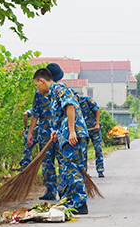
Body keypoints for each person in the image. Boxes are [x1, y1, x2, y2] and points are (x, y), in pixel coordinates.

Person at [32, 67, 89, 215]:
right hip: (64, 135)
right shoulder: (53, 95)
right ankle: (70, 200)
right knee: (66, 170)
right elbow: (61, 114)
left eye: (36, 85)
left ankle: (79, 203)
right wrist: (56, 132)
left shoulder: (59, 88)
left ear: (42, 81)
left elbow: (70, 106)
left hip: (73, 134)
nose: (37, 89)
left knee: (73, 168)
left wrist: (71, 131)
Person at [26, 62, 64, 201]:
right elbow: (35, 113)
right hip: (49, 132)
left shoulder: (59, 92)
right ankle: (53, 191)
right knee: (52, 162)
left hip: (55, 132)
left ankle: (58, 190)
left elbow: (35, 114)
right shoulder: (41, 93)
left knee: (57, 162)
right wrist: (30, 133)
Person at [77, 94, 104, 177]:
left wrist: (97, 124)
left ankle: (100, 170)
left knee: (98, 148)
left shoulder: (87, 100)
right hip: (84, 131)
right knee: (83, 151)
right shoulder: (73, 105)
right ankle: (85, 173)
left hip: (94, 129)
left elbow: (97, 110)